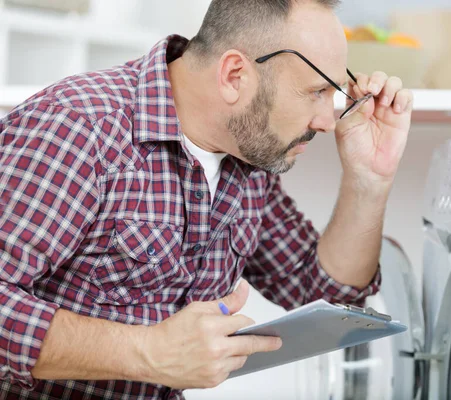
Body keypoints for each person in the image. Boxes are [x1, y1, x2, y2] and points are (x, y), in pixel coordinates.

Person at [0, 0, 413, 398]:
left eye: (334, 93)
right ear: (234, 75)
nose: (327, 121)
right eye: (315, 92)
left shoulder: (247, 158)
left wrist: (369, 179)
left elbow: (329, 298)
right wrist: (146, 352)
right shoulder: (77, 128)